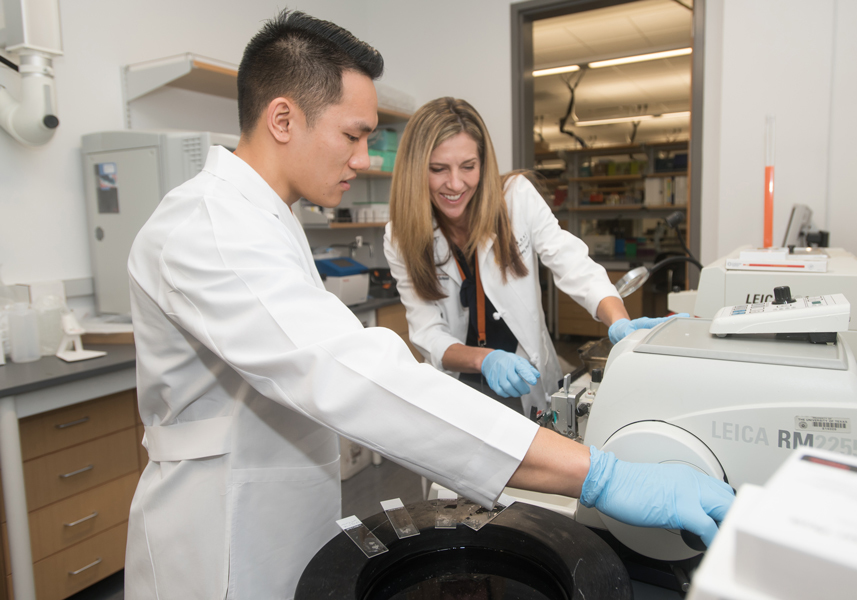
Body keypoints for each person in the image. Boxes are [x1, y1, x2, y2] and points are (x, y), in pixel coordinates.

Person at [124, 11, 733, 600]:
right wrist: (600, 474)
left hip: (279, 510)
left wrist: (617, 325)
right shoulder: (208, 228)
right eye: (354, 135)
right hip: (220, 538)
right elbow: (357, 376)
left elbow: (568, 260)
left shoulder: (266, 220)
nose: (364, 158)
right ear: (283, 118)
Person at [385, 97, 682, 417]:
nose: (455, 184)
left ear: (483, 165)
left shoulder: (516, 198)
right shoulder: (402, 236)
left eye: (468, 167)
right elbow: (427, 331)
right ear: (416, 169)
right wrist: (483, 359)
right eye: (438, 169)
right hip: (461, 380)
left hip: (527, 374)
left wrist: (618, 319)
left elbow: (571, 262)